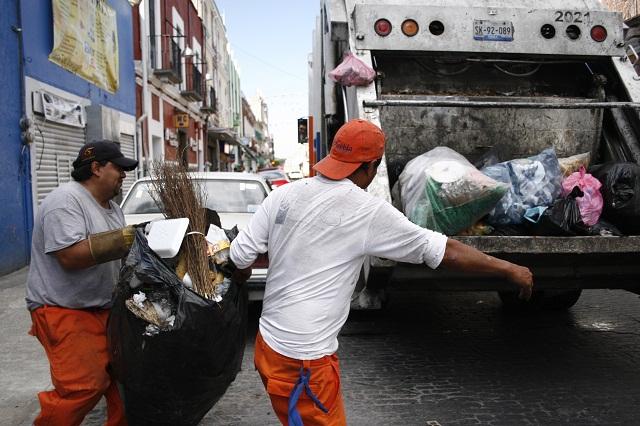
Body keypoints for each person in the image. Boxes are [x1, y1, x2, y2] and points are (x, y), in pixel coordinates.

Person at [230, 119, 533, 426]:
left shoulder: (282, 195)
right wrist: (508, 269)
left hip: (267, 346)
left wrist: (244, 278)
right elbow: (442, 251)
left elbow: (240, 256)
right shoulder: (367, 210)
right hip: (304, 362)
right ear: (371, 166)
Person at [26, 140, 139, 426]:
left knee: (129, 385)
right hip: (64, 310)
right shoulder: (64, 202)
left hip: (105, 309)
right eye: (119, 168)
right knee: (83, 387)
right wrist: (123, 240)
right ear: (97, 168)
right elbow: (69, 256)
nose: (124, 175)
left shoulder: (112, 208)